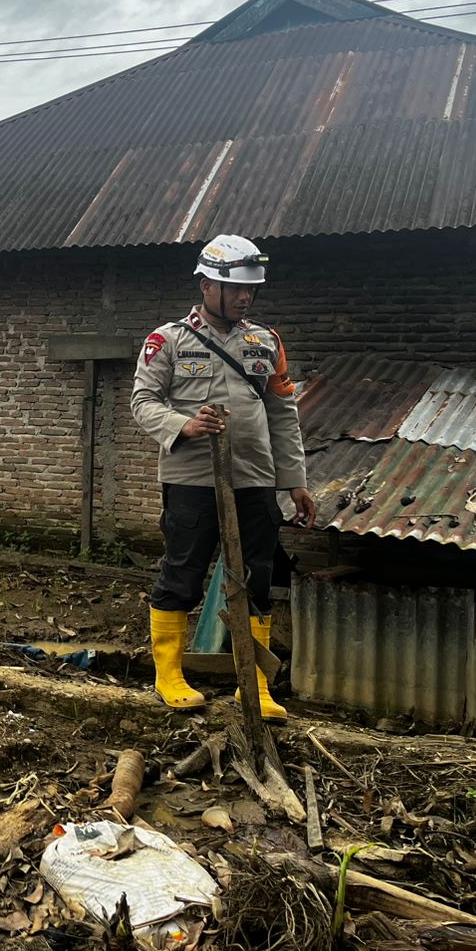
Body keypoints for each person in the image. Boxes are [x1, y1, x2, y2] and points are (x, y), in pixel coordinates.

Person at [131, 235, 316, 722]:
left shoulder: (266, 343)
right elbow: (142, 403)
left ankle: (252, 683)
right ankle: (168, 675)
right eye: (235, 289)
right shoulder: (167, 340)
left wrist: (294, 479)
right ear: (206, 285)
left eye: (251, 290)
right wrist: (183, 425)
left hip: (255, 479)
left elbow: (283, 414)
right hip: (192, 478)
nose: (245, 297)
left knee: (257, 579)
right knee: (183, 574)